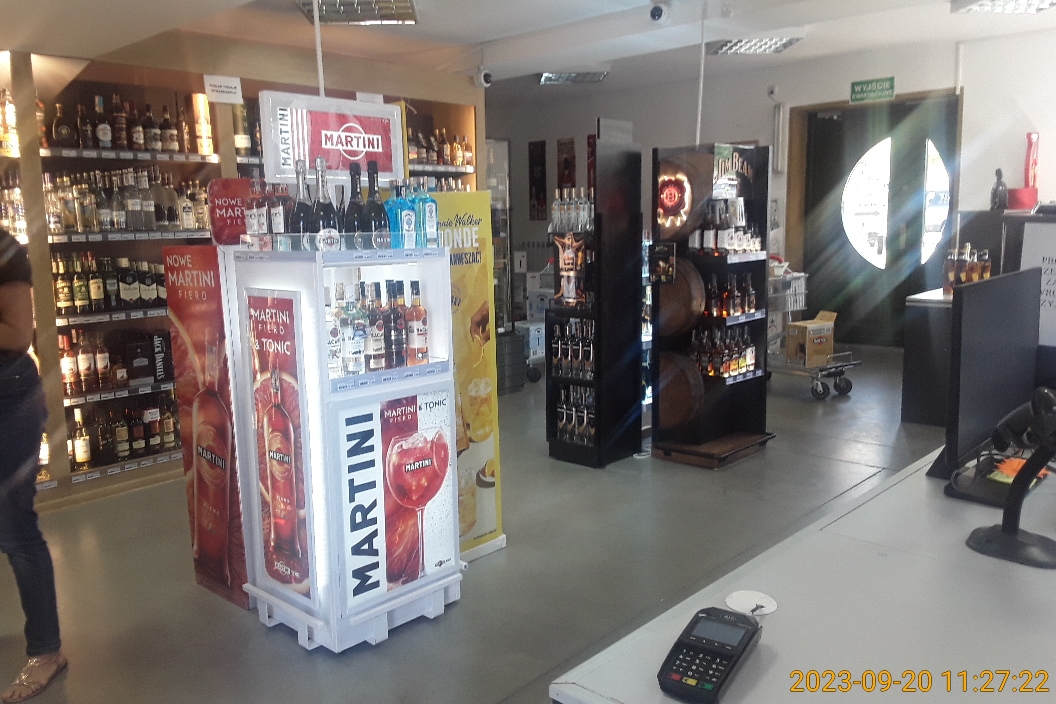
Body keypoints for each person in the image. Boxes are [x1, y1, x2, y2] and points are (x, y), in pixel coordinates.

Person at [0, 229, 65, 703]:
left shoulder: (4, 251)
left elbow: (20, 333)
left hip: (8, 400)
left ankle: (46, 651)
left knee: (15, 528)